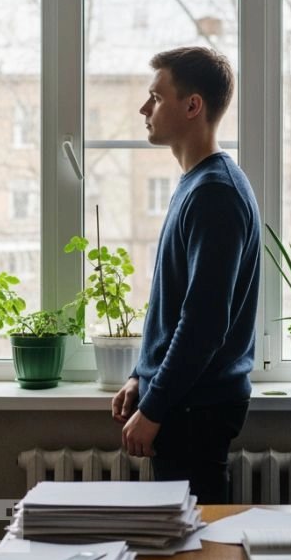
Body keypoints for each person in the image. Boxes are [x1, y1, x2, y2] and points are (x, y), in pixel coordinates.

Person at [111, 46, 261, 504]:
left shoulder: (214, 192)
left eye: (156, 97)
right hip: (186, 402)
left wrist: (155, 407)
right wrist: (142, 375)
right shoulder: (196, 184)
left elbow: (203, 322)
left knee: (194, 553)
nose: (144, 108)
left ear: (192, 105)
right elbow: (174, 304)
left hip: (196, 409)